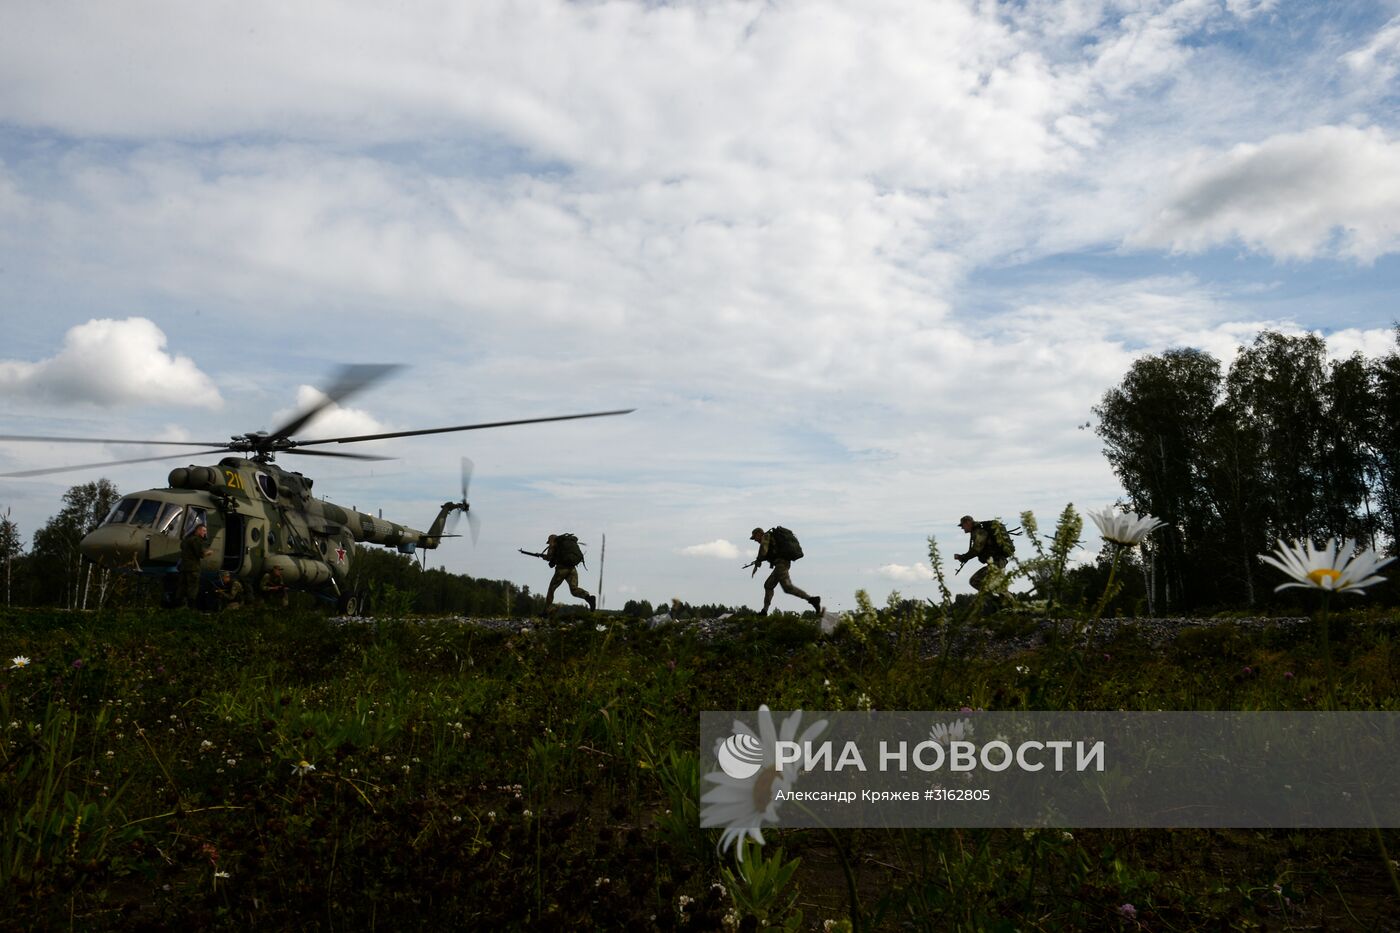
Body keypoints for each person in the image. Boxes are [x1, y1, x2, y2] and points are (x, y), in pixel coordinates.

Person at [748, 527, 821, 616]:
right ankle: (764, 611)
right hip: (780, 564)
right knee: (768, 585)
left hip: (781, 564)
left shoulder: (766, 536)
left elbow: (764, 550)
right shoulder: (770, 538)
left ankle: (812, 600)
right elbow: (769, 552)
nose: (755, 540)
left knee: (787, 587)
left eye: (755, 537)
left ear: (759, 534)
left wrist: (758, 560)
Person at [955, 515, 1010, 598]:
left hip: (997, 563)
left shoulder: (979, 531)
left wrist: (963, 557)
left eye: (962, 525)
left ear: (968, 523)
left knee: (975, 581)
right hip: (997, 562)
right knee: (1000, 588)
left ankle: (995, 600)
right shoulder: (978, 530)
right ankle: (1007, 605)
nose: (962, 528)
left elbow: (976, 549)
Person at [542, 533, 596, 611]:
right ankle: (589, 598)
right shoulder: (566, 546)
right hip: (572, 569)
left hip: (562, 570)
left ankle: (546, 611)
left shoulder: (554, 545)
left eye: (549, 541)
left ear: (551, 540)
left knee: (551, 589)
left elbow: (551, 563)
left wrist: (547, 558)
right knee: (574, 589)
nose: (549, 543)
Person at [177, 523, 210, 608]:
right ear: (198, 531)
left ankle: (178, 606)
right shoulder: (196, 540)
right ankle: (191, 608)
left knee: (182, 587)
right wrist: (207, 553)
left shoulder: (186, 540)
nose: (204, 533)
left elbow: (182, 547)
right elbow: (200, 554)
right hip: (193, 568)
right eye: (203, 531)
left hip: (183, 567)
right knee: (193, 588)